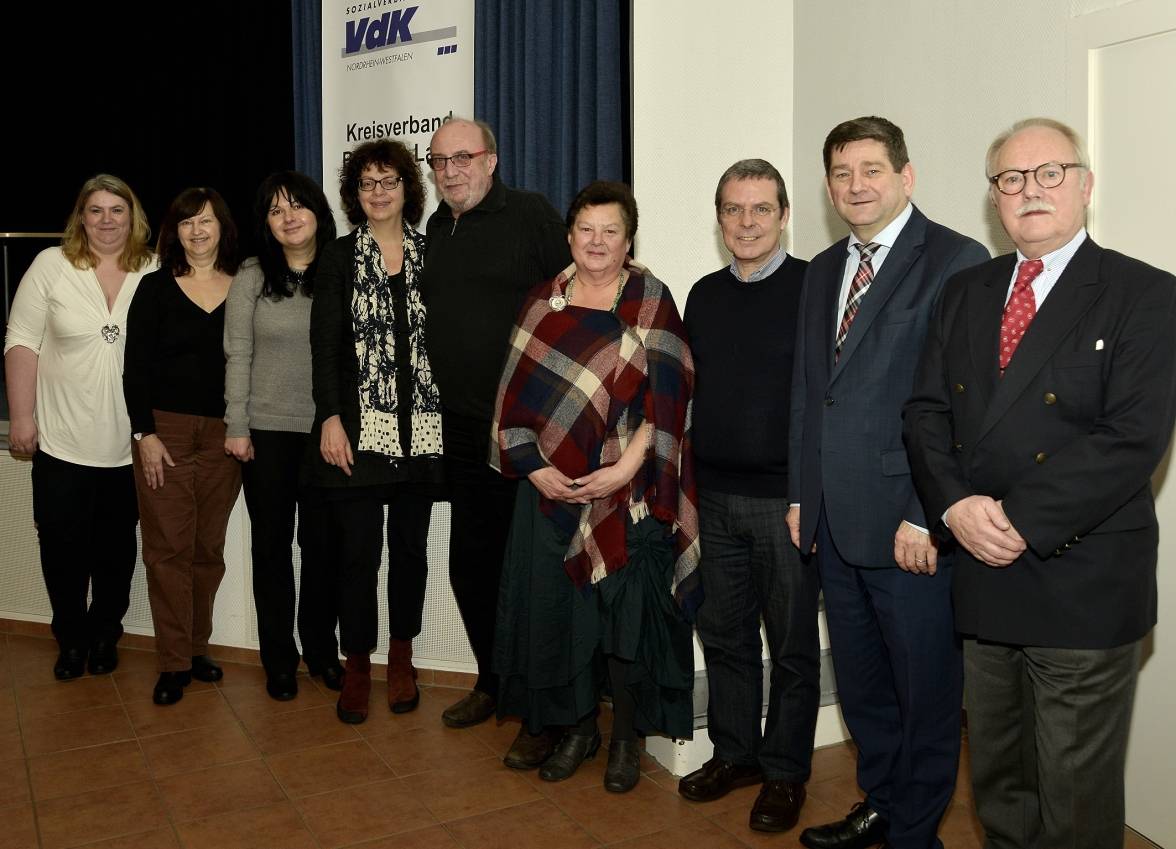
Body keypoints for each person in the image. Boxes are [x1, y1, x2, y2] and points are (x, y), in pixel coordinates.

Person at [903, 117, 1176, 849]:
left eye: (1050, 173)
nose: (1030, 191)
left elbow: (1132, 438)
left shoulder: (1145, 294)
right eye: (1011, 179)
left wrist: (1014, 520)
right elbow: (926, 411)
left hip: (1079, 580)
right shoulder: (966, 290)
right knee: (1000, 782)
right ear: (994, 200)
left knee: (1074, 795)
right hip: (984, 578)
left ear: (1085, 185)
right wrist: (956, 506)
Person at [787, 117, 989, 849]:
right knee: (866, 687)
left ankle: (916, 833)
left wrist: (924, 513)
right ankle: (882, 801)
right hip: (834, 520)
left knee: (925, 691)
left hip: (909, 524)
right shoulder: (819, 270)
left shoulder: (957, 260)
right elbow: (811, 394)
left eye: (871, 169)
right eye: (841, 173)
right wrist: (801, 495)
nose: (855, 185)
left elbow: (963, 405)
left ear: (907, 176)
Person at [490, 179, 700, 793]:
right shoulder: (542, 301)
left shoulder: (651, 301)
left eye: (611, 230)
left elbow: (675, 395)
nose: (598, 241)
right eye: (587, 229)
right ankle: (576, 728)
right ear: (570, 235)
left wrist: (628, 466)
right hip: (549, 487)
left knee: (620, 618)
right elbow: (512, 404)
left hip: (622, 489)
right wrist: (538, 469)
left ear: (628, 238)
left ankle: (626, 740)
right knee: (559, 612)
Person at [422, 117, 570, 764]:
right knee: (470, 566)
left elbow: (578, 295)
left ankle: (544, 709)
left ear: (491, 159)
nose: (450, 171)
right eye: (438, 161)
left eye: (462, 157)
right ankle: (493, 681)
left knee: (533, 576)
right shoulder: (436, 228)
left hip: (527, 432)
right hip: (461, 431)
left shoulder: (532, 214)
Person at [676, 159, 818, 833]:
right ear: (719, 218)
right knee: (725, 634)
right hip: (717, 496)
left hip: (786, 501)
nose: (747, 222)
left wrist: (807, 493)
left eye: (761, 209)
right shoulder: (702, 295)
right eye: (733, 209)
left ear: (785, 214)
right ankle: (736, 753)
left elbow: (828, 401)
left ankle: (786, 770)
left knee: (791, 645)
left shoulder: (816, 287)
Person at [310, 138, 444, 724]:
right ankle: (359, 663)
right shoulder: (338, 258)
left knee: (409, 551)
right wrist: (331, 417)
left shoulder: (434, 250)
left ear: (408, 190)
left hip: (423, 430)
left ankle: (402, 658)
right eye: (368, 184)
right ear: (354, 195)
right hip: (358, 432)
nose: (379, 193)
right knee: (356, 556)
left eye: (389, 182)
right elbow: (325, 347)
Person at [4, 174, 155, 681]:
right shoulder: (51, 265)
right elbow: (21, 341)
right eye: (97, 210)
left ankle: (105, 634)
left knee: (117, 551)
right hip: (61, 444)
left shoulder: (152, 268)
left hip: (129, 447)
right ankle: (70, 639)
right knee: (62, 550)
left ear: (132, 217)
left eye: (118, 209)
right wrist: (22, 417)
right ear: (81, 217)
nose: (108, 219)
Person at [223, 171, 343, 701]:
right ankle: (279, 657)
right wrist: (237, 426)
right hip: (265, 434)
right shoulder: (251, 275)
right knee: (270, 549)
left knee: (321, 549)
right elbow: (237, 354)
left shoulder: (342, 269)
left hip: (326, 433)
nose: (288, 217)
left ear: (318, 210)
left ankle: (320, 649)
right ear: (265, 224)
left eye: (297, 205)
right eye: (275, 210)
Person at [123, 187, 243, 706]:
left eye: (207, 221)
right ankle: (172, 662)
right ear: (176, 231)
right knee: (167, 550)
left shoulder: (245, 287)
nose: (198, 231)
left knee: (206, 550)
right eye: (188, 222)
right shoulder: (154, 288)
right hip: (164, 435)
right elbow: (135, 369)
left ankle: (196, 648)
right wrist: (143, 434)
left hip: (225, 434)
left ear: (222, 228)